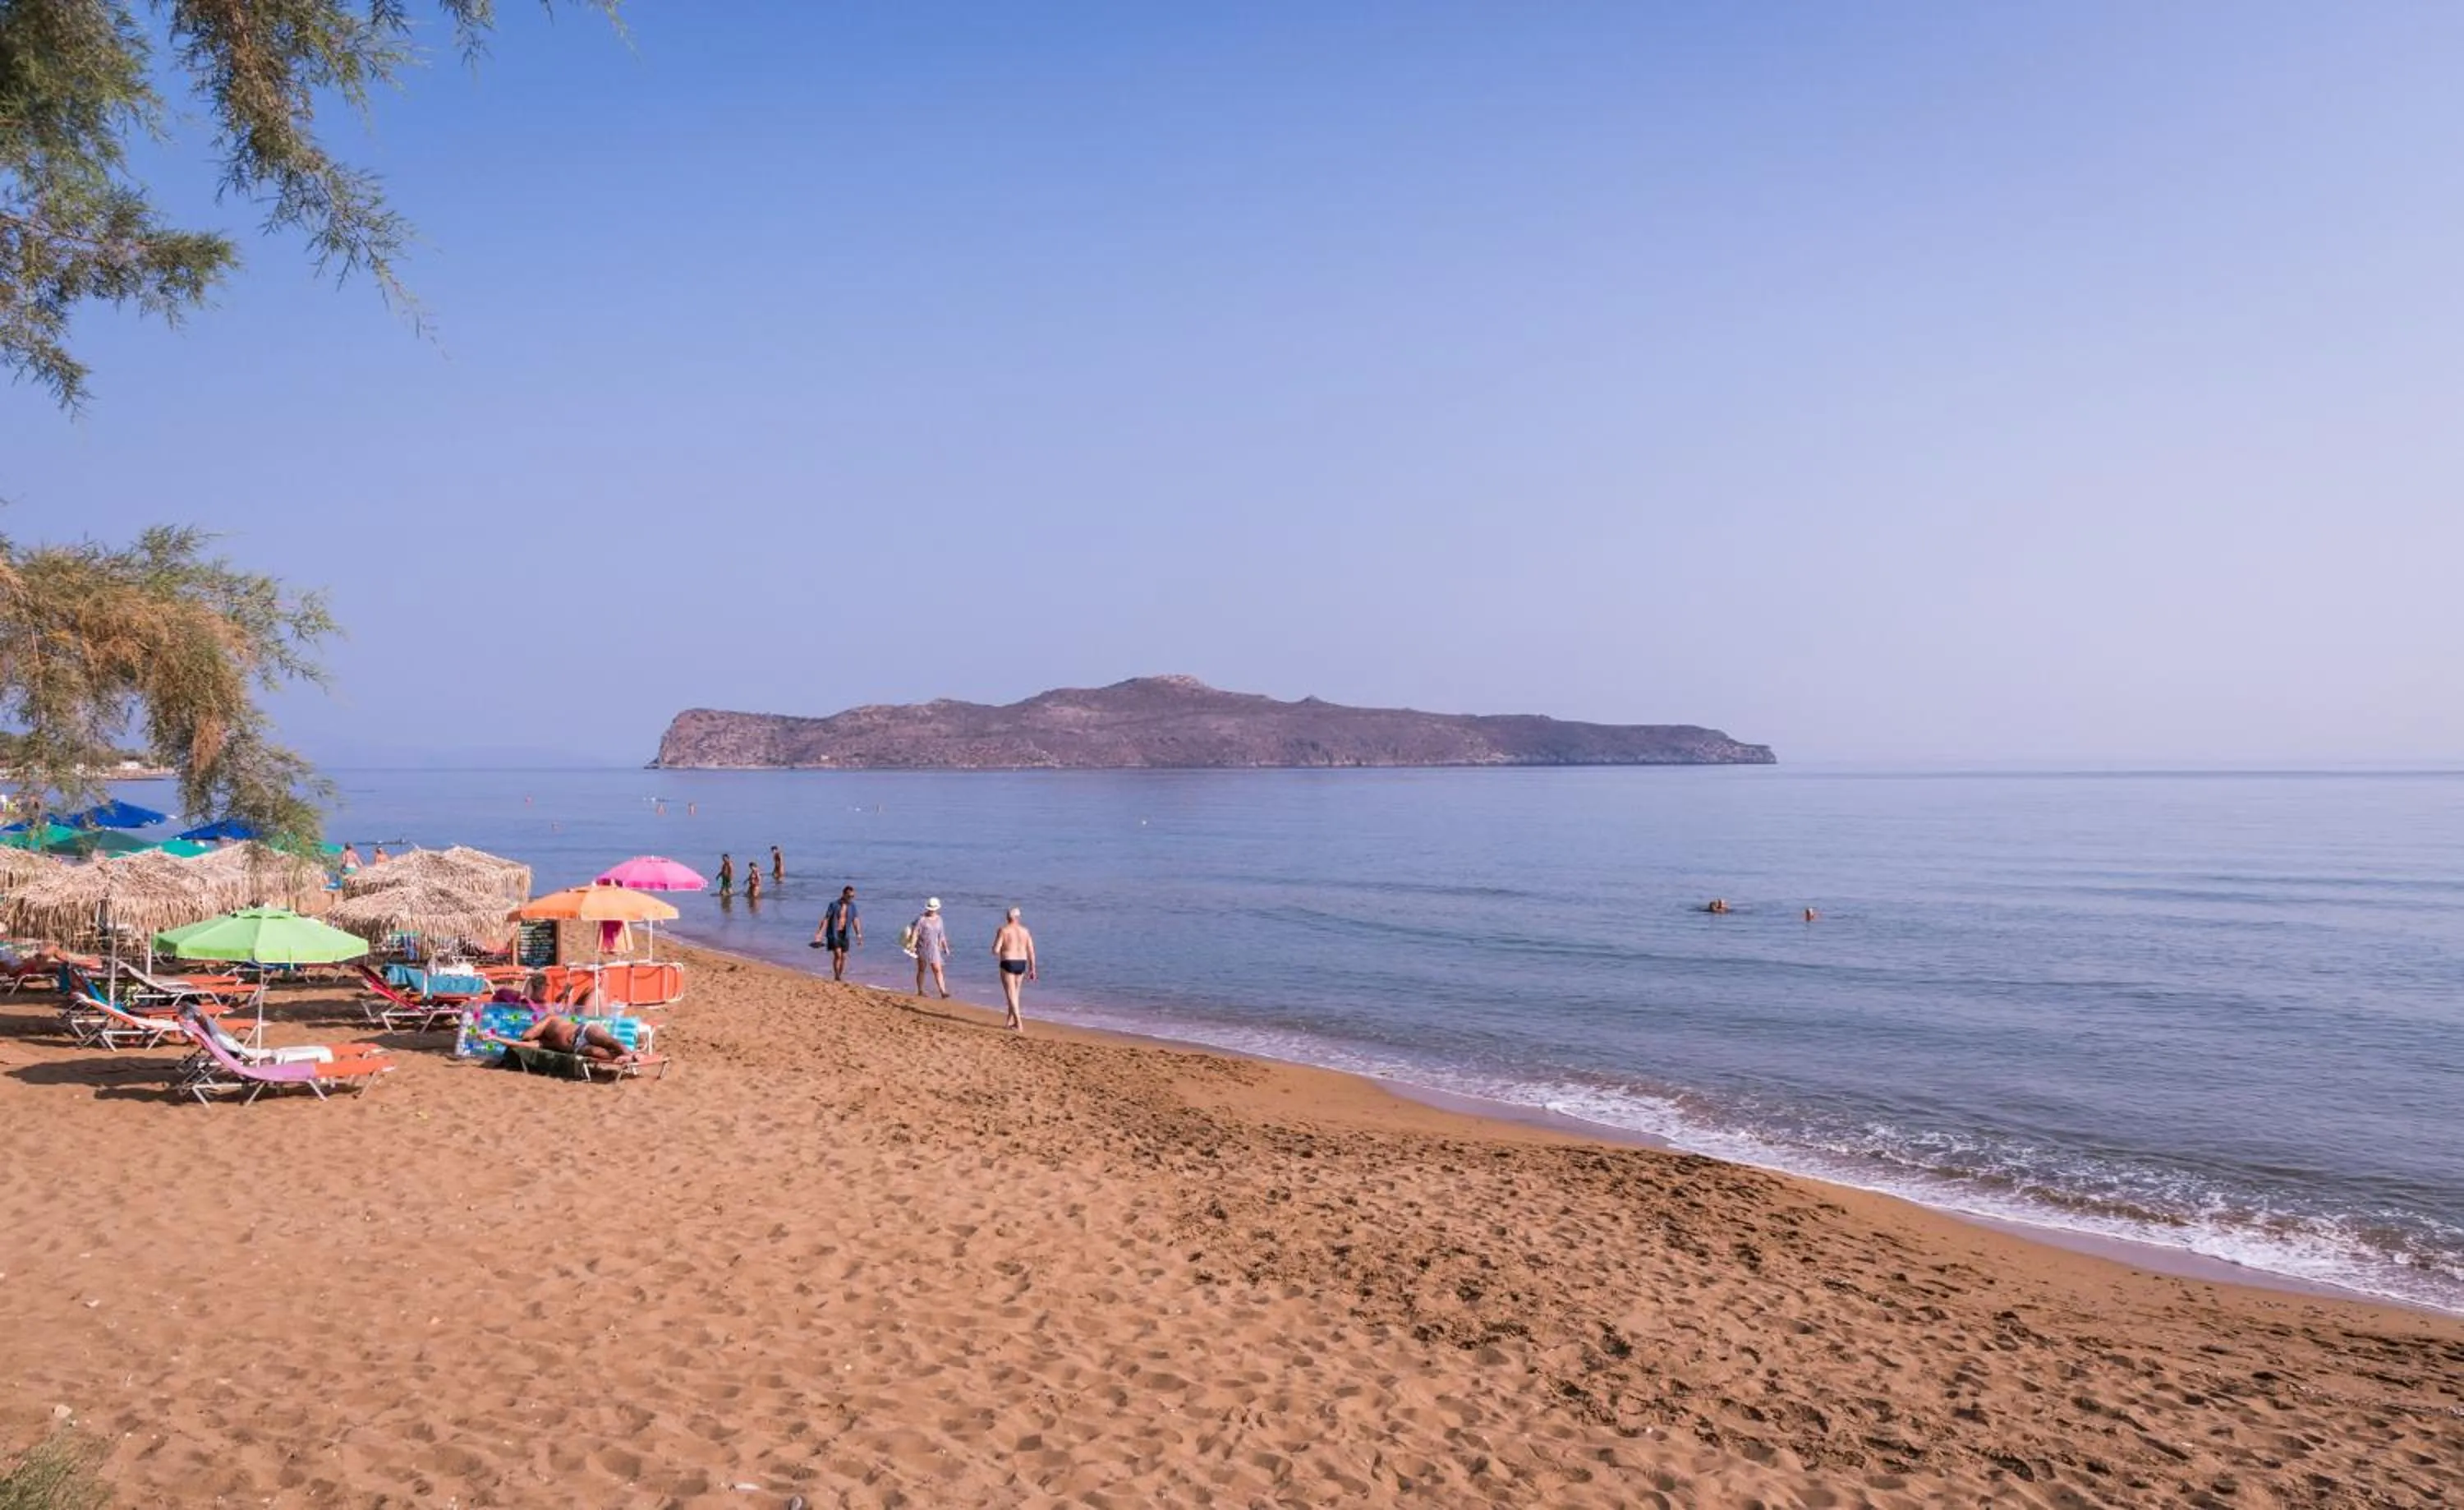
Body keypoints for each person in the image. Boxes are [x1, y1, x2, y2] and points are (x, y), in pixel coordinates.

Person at [499, 1013, 641, 1066]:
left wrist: (527, 1035)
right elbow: (519, 1042)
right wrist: (493, 1038)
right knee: (596, 1052)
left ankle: (630, 1054)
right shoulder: (543, 1043)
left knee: (610, 1041)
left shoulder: (549, 1019)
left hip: (583, 1031)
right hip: (577, 1047)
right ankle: (625, 1057)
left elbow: (526, 1036)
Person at [991, 907, 1037, 1032]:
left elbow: (995, 950)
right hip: (1022, 963)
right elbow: (1031, 951)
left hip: (1008, 962)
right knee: (1015, 994)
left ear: (1007, 918)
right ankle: (1009, 1021)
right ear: (1018, 918)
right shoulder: (1025, 931)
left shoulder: (1003, 930)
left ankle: (1019, 1023)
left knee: (1011, 994)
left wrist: (999, 949)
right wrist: (1033, 969)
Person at [812, 886, 862, 981]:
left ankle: (839, 975)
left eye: (852, 897)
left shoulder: (852, 906)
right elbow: (826, 919)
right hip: (834, 933)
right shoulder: (834, 905)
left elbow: (855, 920)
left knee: (844, 957)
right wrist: (820, 933)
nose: (851, 898)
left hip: (845, 934)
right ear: (843, 894)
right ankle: (837, 976)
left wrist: (858, 934)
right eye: (849, 896)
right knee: (838, 955)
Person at [911, 897, 951, 1000]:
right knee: (922, 969)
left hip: (935, 948)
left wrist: (945, 947)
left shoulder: (939, 919)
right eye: (931, 908)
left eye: (934, 908)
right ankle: (920, 990)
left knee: (938, 969)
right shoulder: (921, 919)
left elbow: (941, 935)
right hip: (922, 947)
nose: (932, 910)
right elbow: (915, 933)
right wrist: (912, 946)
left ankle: (943, 991)